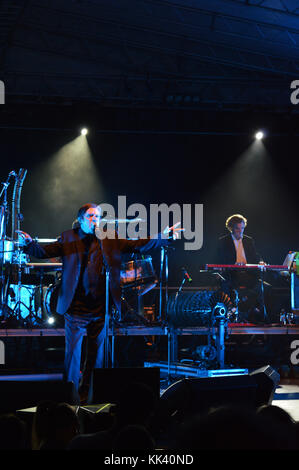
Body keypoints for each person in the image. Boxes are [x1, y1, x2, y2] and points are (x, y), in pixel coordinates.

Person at [17, 203, 182, 404]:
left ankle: (89, 396)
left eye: (98, 216)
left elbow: (136, 245)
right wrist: (28, 244)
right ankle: (69, 397)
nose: (95, 220)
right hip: (75, 306)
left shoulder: (108, 237)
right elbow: (45, 251)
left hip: (101, 305)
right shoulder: (69, 236)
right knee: (73, 354)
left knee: (96, 355)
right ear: (81, 219)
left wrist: (163, 236)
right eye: (91, 216)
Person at [217, 214, 268, 322]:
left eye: (242, 228)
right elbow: (221, 259)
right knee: (225, 287)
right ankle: (239, 308)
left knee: (265, 287)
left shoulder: (248, 240)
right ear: (231, 228)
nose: (240, 232)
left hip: (249, 274)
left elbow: (256, 256)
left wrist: (261, 262)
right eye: (237, 228)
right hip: (232, 275)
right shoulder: (224, 241)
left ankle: (250, 307)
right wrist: (234, 264)